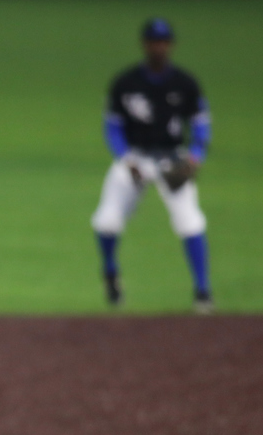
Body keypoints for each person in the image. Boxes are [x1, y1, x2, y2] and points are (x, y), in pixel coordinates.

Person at [91, 18, 214, 313]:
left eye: (163, 41)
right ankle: (110, 271)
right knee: (106, 222)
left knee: (190, 222)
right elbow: (113, 128)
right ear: (144, 44)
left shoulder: (185, 83)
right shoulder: (125, 82)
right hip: (136, 158)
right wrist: (126, 158)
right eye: (153, 41)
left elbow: (201, 124)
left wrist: (196, 155)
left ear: (170, 45)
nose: (158, 47)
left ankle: (203, 291)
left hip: (173, 160)